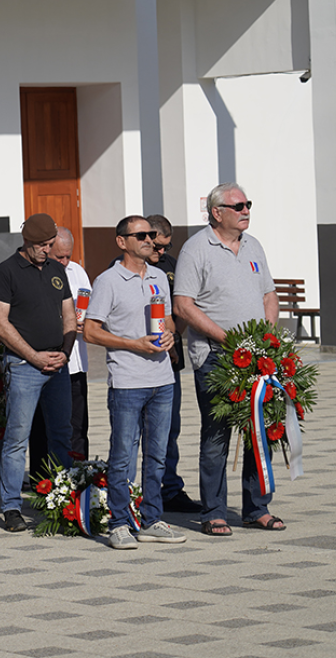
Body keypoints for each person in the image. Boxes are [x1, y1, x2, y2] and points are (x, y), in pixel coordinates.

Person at [174, 183, 284, 536]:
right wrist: (229, 340)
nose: (246, 210)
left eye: (248, 204)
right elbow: (184, 305)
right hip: (217, 357)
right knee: (217, 434)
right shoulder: (196, 249)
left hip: (257, 356)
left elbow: (269, 294)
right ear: (216, 212)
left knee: (258, 432)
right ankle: (214, 511)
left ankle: (257, 508)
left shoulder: (253, 245)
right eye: (238, 206)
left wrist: (266, 336)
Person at [84, 216, 186, 549]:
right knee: (124, 454)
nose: (149, 240)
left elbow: (167, 317)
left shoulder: (158, 275)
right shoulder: (108, 280)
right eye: (140, 235)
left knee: (157, 455)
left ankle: (152, 519)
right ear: (122, 241)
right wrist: (133, 344)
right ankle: (118, 523)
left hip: (162, 379)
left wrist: (169, 334)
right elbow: (91, 330)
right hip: (128, 380)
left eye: (151, 235)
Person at [0, 213, 75, 533]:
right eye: (42, 245)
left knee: (61, 435)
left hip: (57, 366)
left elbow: (69, 316)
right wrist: (34, 356)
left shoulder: (56, 269)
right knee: (17, 438)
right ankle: (11, 506)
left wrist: (64, 353)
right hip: (25, 366)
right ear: (27, 242)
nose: (47, 250)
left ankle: (62, 499)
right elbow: (0, 323)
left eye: (51, 244)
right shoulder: (6, 272)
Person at [145, 214, 201, 514]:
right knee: (140, 432)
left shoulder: (170, 265)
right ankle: (142, 490)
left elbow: (182, 304)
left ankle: (170, 488)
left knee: (170, 429)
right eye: (157, 246)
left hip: (170, 360)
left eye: (167, 246)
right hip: (139, 363)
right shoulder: (125, 266)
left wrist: (174, 335)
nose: (162, 252)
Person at [46, 227, 92, 460]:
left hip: (76, 360)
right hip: (50, 359)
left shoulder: (77, 271)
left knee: (78, 422)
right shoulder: (41, 272)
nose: (64, 262)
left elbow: (89, 303)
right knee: (53, 424)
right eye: (59, 257)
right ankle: (49, 477)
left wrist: (87, 322)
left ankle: (80, 474)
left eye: (68, 256)